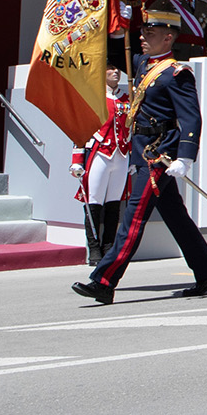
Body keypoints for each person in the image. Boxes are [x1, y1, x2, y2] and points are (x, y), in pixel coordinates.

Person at [73, 6, 207, 305]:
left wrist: (186, 156)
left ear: (168, 38)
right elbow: (115, 53)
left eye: (150, 33)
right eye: (143, 32)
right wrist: (120, 24)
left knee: (133, 217)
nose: (143, 38)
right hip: (141, 150)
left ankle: (104, 281)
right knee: (176, 217)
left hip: (158, 153)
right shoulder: (143, 63)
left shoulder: (176, 74)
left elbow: (191, 118)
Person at [69, 66, 130, 267]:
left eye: (117, 69)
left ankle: (109, 246)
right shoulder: (92, 98)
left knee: (114, 203)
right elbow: (80, 130)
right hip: (100, 153)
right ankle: (94, 248)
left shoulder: (127, 98)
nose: (115, 72)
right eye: (110, 68)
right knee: (93, 202)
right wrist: (77, 160)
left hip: (121, 155)